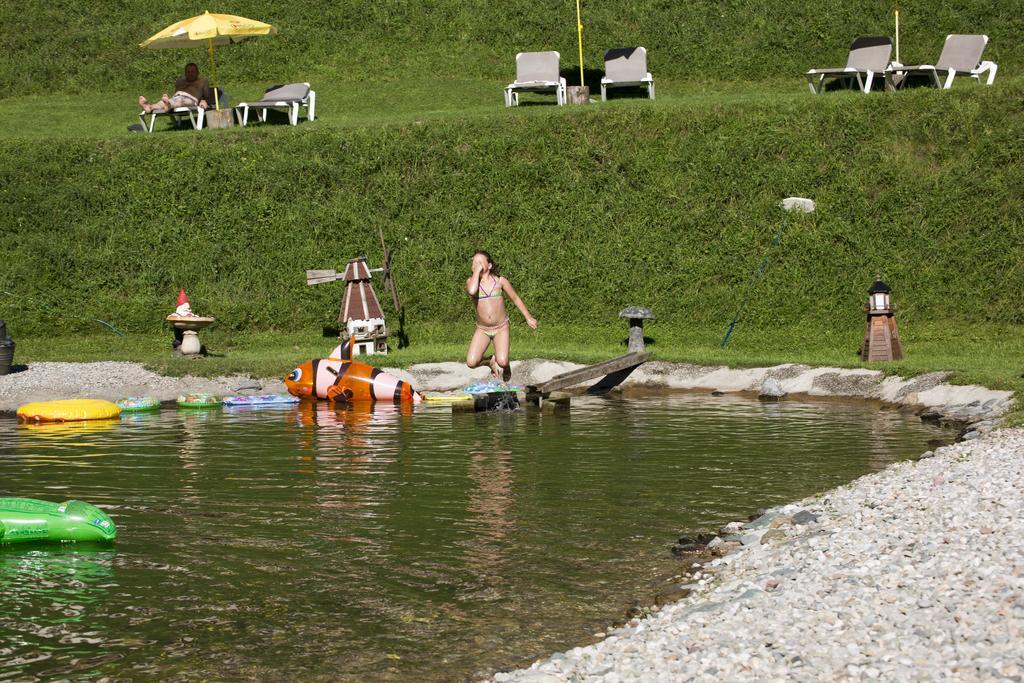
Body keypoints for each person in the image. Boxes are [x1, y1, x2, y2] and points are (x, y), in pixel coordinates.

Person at [466, 250, 537, 382]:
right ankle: (489, 362)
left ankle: (505, 365)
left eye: (480, 262)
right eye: (474, 263)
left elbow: (515, 298)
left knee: (503, 361)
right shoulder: (471, 282)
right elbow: (471, 291)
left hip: (501, 328)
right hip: (483, 329)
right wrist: (476, 272)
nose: (476, 265)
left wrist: (528, 317)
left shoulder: (500, 281)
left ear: (490, 265)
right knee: (471, 362)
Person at [138, 63, 209, 113]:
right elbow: (176, 93)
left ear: (197, 72)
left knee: (180, 101)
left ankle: (169, 105)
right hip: (176, 98)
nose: (190, 74)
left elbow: (206, 96)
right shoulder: (180, 81)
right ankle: (149, 107)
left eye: (192, 71)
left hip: (191, 100)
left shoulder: (202, 82)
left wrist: (203, 101)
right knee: (162, 102)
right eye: (188, 72)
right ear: (185, 72)